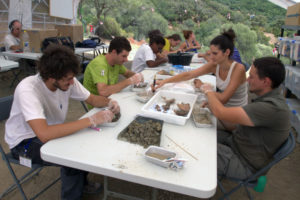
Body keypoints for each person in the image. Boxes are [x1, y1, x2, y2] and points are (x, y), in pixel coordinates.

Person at [5, 44, 120, 200]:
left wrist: (109, 102)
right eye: (68, 79)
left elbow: (92, 99)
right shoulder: (28, 90)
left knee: (86, 141)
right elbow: (44, 134)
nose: (72, 82)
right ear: (52, 77)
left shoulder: (66, 79)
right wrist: (91, 120)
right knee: (70, 157)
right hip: (23, 144)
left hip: (48, 131)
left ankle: (80, 182)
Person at [200, 57, 290, 179]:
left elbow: (221, 112)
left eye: (252, 77)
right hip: (235, 144)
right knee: (200, 134)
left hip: (243, 163)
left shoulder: (271, 108)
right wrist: (213, 108)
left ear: (266, 82)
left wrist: (208, 91)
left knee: (196, 148)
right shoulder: (268, 99)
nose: (247, 80)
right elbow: (233, 125)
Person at [156, 28, 248, 130]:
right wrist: (164, 81)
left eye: (215, 53)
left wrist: (204, 88)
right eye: (210, 53)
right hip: (220, 109)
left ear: (226, 52)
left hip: (233, 119)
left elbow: (223, 98)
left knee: (188, 122)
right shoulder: (215, 64)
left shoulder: (238, 69)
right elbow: (189, 75)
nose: (211, 57)